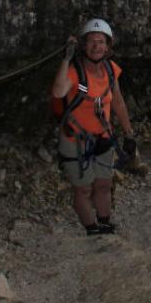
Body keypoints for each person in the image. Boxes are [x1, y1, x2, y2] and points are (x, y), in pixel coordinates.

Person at [50, 18, 135, 236]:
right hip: (75, 141)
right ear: (83, 45)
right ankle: (92, 230)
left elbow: (118, 102)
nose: (96, 46)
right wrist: (65, 59)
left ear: (108, 47)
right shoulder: (74, 72)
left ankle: (105, 224)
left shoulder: (110, 70)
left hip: (104, 138)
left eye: (101, 42)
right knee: (84, 188)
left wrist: (129, 134)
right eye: (92, 42)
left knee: (104, 185)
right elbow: (59, 92)